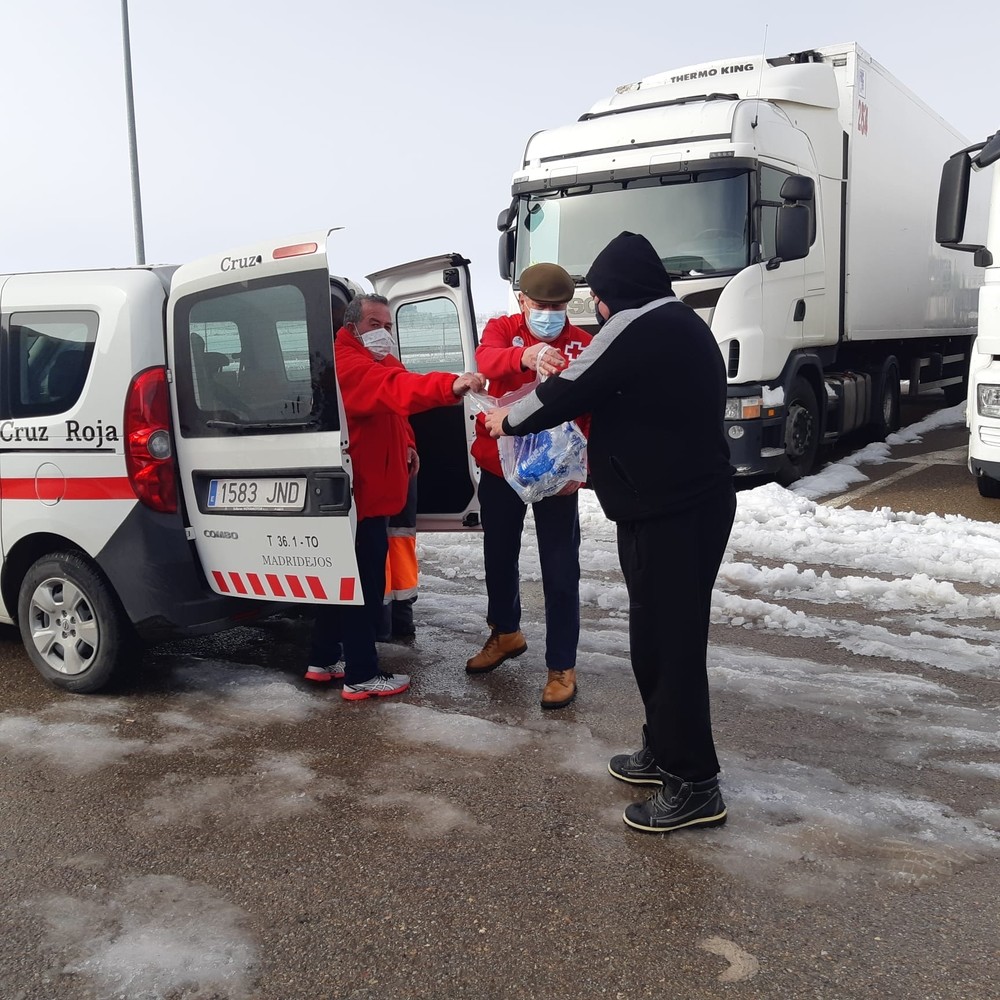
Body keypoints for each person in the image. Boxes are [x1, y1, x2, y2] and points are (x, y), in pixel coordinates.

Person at [484, 231, 735, 833]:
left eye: (597, 295)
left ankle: (695, 783)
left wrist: (504, 419)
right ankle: (662, 749)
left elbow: (569, 390)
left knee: (671, 645)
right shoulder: (680, 321)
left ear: (616, 290)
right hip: (675, 507)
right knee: (654, 637)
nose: (594, 307)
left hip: (674, 512)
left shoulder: (637, 323)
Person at [306, 293, 485, 700]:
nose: (384, 333)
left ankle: (323, 659)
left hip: (376, 490)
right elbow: (394, 387)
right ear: (352, 326)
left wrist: (407, 443)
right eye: (375, 324)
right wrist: (450, 385)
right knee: (363, 587)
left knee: (341, 582)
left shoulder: (377, 360)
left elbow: (395, 405)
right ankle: (361, 675)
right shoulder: (348, 364)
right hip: (359, 496)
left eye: (389, 326)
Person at [467, 262, 592, 709]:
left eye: (558, 307)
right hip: (501, 471)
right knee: (498, 558)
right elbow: (484, 361)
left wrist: (580, 469)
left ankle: (562, 665)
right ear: (522, 302)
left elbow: (593, 409)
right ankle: (505, 633)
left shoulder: (583, 344)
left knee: (560, 570)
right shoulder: (502, 330)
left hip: (556, 476)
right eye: (541, 306)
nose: (550, 314)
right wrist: (527, 356)